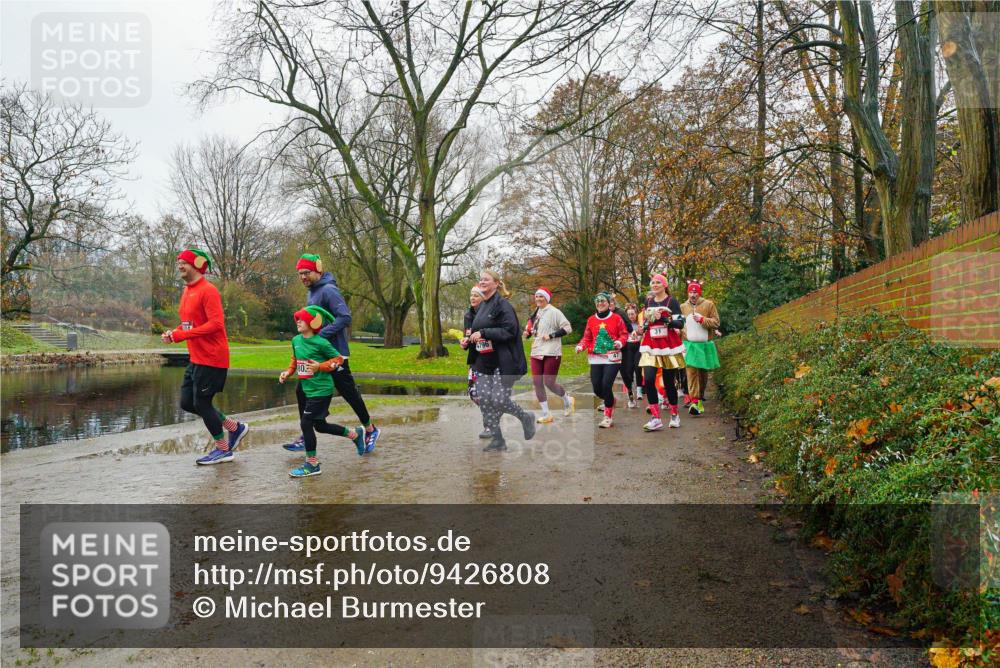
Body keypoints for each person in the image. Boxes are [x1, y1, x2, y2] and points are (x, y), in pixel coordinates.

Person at [283, 254, 379, 453]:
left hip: (335, 354)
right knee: (302, 390)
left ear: (318, 269)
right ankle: (306, 431)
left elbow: (345, 317)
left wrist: (319, 336)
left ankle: (370, 429)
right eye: (300, 274)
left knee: (349, 393)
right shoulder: (312, 292)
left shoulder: (329, 290)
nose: (303, 277)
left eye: (306, 273)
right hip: (315, 355)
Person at [162, 249, 248, 465]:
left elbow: (216, 324)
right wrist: (175, 333)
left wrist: (184, 334)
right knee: (187, 403)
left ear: (197, 265)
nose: (180, 266)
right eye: (179, 262)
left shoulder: (208, 291)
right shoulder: (187, 291)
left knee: (202, 403)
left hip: (212, 357)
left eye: (184, 262)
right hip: (197, 358)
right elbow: (191, 323)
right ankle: (234, 427)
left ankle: (223, 449)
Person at [279, 305, 367, 478]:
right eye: (297, 318)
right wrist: (288, 372)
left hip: (322, 390)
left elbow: (339, 359)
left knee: (306, 423)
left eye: (302, 319)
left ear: (312, 323)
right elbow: (295, 359)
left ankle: (312, 464)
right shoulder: (296, 340)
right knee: (320, 426)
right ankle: (355, 435)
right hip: (307, 389)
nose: (298, 321)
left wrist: (320, 366)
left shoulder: (321, 342)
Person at [468, 269, 535, 452]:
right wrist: (470, 340)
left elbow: (510, 330)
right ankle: (498, 440)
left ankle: (525, 417)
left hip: (502, 361)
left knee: (498, 400)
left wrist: (484, 333)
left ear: (496, 283)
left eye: (486, 279)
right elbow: (476, 331)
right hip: (482, 362)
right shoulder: (482, 306)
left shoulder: (502, 305)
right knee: (484, 400)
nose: (482, 282)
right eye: (481, 279)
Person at [638, 274, 686, 431]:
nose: (655, 284)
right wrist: (642, 329)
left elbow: (680, 323)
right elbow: (646, 321)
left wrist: (666, 320)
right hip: (651, 344)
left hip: (667, 345)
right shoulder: (649, 301)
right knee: (649, 379)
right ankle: (655, 417)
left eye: (658, 282)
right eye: (653, 282)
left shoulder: (672, 301)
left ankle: (674, 415)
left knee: (668, 381)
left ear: (664, 285)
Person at [576, 292, 629, 428]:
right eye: (597, 301)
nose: (600, 303)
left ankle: (607, 416)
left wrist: (619, 342)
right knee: (597, 388)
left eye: (603, 301)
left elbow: (624, 334)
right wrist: (581, 345)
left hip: (612, 357)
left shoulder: (617, 318)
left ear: (608, 302)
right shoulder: (591, 320)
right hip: (596, 358)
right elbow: (587, 337)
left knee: (606, 384)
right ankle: (610, 400)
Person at [524, 287, 574, 424]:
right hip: (537, 350)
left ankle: (567, 400)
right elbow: (533, 330)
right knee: (537, 382)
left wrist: (552, 335)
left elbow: (568, 328)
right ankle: (546, 414)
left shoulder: (554, 312)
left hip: (552, 351)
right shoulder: (536, 313)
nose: (538, 299)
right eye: (537, 297)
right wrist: (528, 334)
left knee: (549, 382)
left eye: (541, 297)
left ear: (547, 298)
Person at [680, 280, 721, 416]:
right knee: (691, 372)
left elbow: (716, 323)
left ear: (699, 293)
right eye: (690, 292)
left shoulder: (708, 305)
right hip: (689, 345)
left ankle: (700, 396)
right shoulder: (683, 307)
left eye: (695, 292)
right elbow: (680, 326)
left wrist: (703, 320)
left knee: (702, 374)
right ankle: (695, 402)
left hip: (704, 345)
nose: (692, 295)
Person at [459, 286, 490, 438]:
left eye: (476, 295)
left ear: (483, 298)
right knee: (473, 393)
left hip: (490, 359)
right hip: (475, 358)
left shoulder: (490, 314)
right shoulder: (468, 316)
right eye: (471, 295)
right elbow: (467, 335)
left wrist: (484, 336)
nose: (472, 298)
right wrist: (465, 343)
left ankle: (489, 425)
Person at [622, 303, 643, 408]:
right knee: (629, 369)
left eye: (632, 314)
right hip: (629, 347)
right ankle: (630, 390)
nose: (631, 316)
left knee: (637, 367)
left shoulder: (640, 322)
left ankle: (639, 390)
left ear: (636, 314)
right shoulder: (625, 324)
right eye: (629, 314)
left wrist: (640, 332)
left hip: (638, 347)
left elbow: (644, 332)